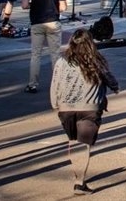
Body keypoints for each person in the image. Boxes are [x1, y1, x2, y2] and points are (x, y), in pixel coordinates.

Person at [50, 28, 119, 195]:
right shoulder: (96, 60)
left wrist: (55, 103)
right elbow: (109, 78)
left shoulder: (62, 61)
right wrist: (115, 87)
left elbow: (55, 82)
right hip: (89, 107)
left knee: (73, 142)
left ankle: (77, 174)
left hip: (66, 109)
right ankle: (79, 182)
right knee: (84, 144)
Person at [22, 0, 67, 93]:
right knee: (55, 54)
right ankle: (58, 85)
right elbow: (63, 7)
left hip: (37, 22)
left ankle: (32, 84)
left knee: (36, 55)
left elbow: (24, 5)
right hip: (53, 21)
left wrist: (34, 5)